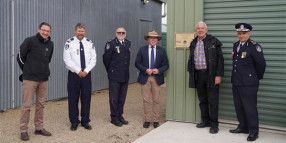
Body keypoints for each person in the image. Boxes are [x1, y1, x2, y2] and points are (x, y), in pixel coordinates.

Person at [17, 22, 54, 141]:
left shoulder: (51, 44)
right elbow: (20, 57)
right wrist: (27, 71)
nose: (45, 32)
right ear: (39, 29)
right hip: (29, 79)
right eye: (44, 30)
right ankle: (23, 130)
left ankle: (39, 128)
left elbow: (47, 60)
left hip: (43, 79)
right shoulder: (30, 41)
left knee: (40, 105)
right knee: (26, 105)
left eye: (48, 31)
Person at [229, 23, 266, 142]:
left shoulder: (254, 46)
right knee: (239, 107)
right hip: (237, 82)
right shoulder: (236, 45)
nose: (241, 36)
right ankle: (243, 127)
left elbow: (261, 64)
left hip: (249, 84)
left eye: (243, 33)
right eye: (239, 33)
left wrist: (255, 78)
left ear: (249, 33)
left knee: (250, 108)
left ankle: (253, 131)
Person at [187, 21, 224, 134]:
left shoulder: (214, 41)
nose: (200, 30)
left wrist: (218, 75)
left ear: (206, 30)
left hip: (211, 75)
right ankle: (205, 121)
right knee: (202, 99)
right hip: (198, 75)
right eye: (198, 28)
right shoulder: (193, 42)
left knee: (213, 101)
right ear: (196, 30)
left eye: (202, 28)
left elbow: (220, 60)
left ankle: (214, 124)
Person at [63, 23, 97, 131]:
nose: (80, 33)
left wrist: (86, 71)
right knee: (73, 98)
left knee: (86, 98)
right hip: (74, 74)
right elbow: (66, 59)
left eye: (82, 31)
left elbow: (94, 59)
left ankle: (85, 121)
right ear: (75, 31)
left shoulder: (89, 43)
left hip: (86, 74)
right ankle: (74, 121)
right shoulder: (69, 43)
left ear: (85, 32)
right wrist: (78, 71)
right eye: (79, 31)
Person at [135, 30, 169, 128]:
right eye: (151, 38)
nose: (153, 40)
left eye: (155, 38)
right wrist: (146, 70)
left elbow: (166, 65)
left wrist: (158, 70)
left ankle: (155, 120)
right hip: (145, 77)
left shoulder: (162, 50)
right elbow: (137, 63)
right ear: (148, 39)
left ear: (157, 40)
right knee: (146, 100)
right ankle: (147, 119)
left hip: (156, 78)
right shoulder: (142, 49)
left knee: (156, 100)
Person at [103, 27, 131, 127]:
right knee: (114, 98)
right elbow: (106, 59)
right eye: (119, 32)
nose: (121, 33)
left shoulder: (127, 43)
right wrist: (111, 71)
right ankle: (114, 118)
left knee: (122, 97)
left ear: (125, 33)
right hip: (114, 75)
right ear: (116, 33)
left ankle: (120, 115)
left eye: (123, 32)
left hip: (125, 75)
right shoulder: (111, 44)